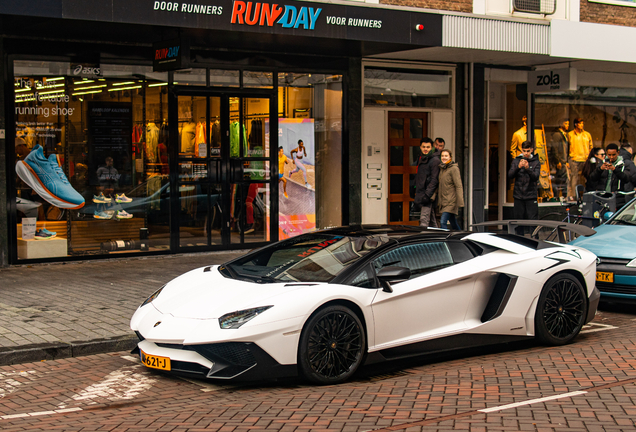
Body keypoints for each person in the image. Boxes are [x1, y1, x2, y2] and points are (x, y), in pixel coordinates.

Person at [508, 140, 540, 234]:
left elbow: (535, 177)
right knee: (518, 222)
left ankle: (534, 240)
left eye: (528, 151)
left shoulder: (535, 162)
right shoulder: (517, 160)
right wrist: (518, 167)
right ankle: (519, 240)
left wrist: (528, 168)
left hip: (531, 196)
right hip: (518, 195)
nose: (526, 153)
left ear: (531, 150)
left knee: (533, 221)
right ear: (521, 150)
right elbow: (510, 175)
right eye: (524, 151)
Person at [413, 137, 440, 228]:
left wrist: (427, 195)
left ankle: (422, 239)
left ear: (432, 147)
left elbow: (434, 179)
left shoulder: (434, 160)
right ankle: (437, 238)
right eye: (423, 147)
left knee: (424, 220)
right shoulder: (421, 158)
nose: (425, 149)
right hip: (422, 193)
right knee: (432, 221)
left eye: (428, 147)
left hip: (428, 195)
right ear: (420, 147)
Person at [567, 118, 593, 201]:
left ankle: (587, 194)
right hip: (574, 158)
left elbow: (591, 147)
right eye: (580, 123)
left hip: (585, 159)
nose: (581, 125)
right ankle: (574, 195)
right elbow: (566, 147)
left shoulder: (587, 134)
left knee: (586, 177)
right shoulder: (570, 134)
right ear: (576, 124)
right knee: (574, 177)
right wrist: (568, 160)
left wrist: (590, 157)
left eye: (582, 123)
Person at [437, 149, 464, 230]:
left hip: (451, 201)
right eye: (442, 156)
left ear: (450, 157)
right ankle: (460, 236)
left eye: (446, 156)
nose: (444, 157)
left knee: (443, 222)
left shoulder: (454, 169)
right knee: (453, 222)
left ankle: (444, 239)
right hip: (444, 200)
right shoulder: (442, 169)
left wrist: (460, 202)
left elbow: (458, 185)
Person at [548, 118, 569, 198]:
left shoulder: (564, 134)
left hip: (563, 161)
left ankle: (563, 197)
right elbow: (555, 148)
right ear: (561, 124)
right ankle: (558, 197)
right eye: (566, 123)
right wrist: (557, 161)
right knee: (560, 180)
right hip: (560, 161)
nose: (567, 125)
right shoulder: (557, 135)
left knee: (564, 181)